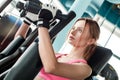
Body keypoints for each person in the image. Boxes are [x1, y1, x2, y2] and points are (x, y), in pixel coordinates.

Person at [33, 4, 100, 80]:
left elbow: (52, 67)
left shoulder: (85, 69)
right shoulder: (56, 55)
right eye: (73, 28)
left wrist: (42, 24)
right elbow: (24, 53)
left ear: (91, 40)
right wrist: (28, 21)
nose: (73, 32)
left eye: (80, 30)